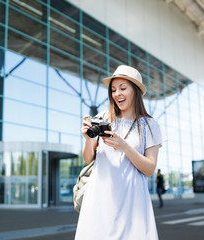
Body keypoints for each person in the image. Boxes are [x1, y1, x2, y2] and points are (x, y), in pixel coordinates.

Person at [75, 65, 165, 240]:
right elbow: (88, 159)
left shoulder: (150, 125)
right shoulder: (104, 118)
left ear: (136, 91)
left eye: (123, 88)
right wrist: (88, 140)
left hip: (133, 201)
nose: (117, 94)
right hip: (100, 197)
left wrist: (124, 146)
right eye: (114, 90)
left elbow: (149, 169)